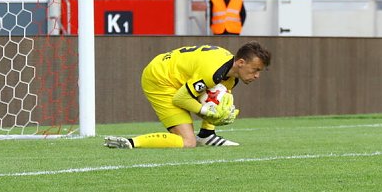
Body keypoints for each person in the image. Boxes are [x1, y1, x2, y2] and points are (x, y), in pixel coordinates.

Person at [104, 41, 271, 149]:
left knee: (216, 95)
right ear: (240, 62)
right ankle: (131, 143)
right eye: (255, 70)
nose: (257, 76)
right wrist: (207, 112)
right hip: (160, 78)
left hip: (175, 74)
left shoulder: (230, 72)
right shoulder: (213, 71)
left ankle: (207, 136)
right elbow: (181, 98)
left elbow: (215, 97)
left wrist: (212, 120)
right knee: (188, 142)